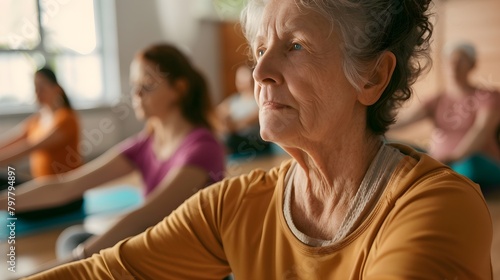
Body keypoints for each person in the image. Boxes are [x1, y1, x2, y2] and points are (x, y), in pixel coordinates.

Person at [25, 0, 493, 279]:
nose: (261, 73)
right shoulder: (233, 204)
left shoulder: (439, 207)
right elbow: (108, 272)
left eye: (295, 46)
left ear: (371, 76)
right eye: (260, 49)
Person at [1, 43, 225, 271]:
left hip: (186, 264)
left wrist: (72, 263)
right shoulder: (146, 142)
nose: (136, 94)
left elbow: (146, 217)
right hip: (152, 248)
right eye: (134, 85)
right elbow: (66, 186)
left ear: (179, 88)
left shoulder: (202, 147)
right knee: (73, 239)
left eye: (147, 85)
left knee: (81, 250)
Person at [392, 42, 500, 189]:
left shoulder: (488, 96)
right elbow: (404, 121)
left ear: (472, 65)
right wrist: (373, 123)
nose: (454, 66)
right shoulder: (436, 100)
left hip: (476, 162)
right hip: (439, 161)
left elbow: (481, 131)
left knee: (468, 165)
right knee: (388, 144)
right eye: (450, 61)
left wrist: (454, 157)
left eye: (461, 60)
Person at [0, 68, 82, 187]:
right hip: (42, 188)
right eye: (35, 88)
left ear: (56, 89)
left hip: (65, 192)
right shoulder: (37, 119)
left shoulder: (67, 119)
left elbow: (30, 147)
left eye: (42, 88)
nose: (38, 93)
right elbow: (12, 140)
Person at [216, 64, 270, 156]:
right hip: (233, 136)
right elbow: (216, 114)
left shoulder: (259, 100)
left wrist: (232, 126)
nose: (242, 82)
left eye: (245, 78)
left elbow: (252, 119)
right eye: (240, 79)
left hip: (253, 140)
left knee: (229, 139)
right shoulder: (233, 100)